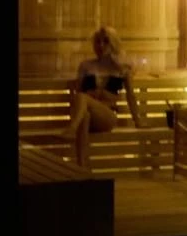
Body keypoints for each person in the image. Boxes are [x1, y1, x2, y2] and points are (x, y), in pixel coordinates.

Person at [59, 26, 146, 167]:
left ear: (113, 44)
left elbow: (131, 95)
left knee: (82, 98)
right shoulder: (86, 66)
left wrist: (138, 121)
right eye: (98, 42)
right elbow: (79, 94)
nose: (101, 45)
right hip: (87, 114)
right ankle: (82, 167)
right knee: (85, 115)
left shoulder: (122, 68)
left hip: (107, 116)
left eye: (106, 41)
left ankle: (72, 128)